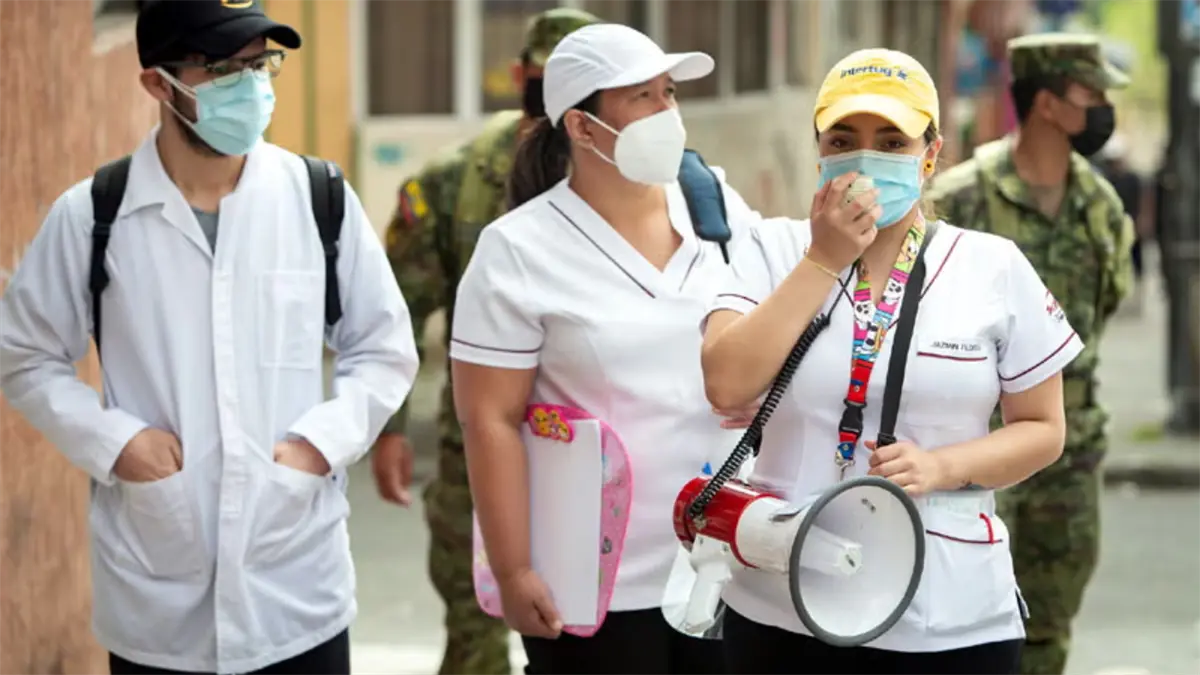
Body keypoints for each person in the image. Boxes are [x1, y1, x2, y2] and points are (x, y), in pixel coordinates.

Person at [0, 1, 419, 673]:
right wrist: (116, 443)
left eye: (261, 64)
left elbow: (383, 346)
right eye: (223, 69)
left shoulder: (318, 197)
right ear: (157, 85)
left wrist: (318, 445)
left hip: (297, 592)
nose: (252, 87)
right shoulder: (92, 216)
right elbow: (25, 355)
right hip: (157, 600)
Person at [701, 47, 1080, 675]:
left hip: (948, 613)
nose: (865, 156)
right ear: (819, 148)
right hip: (782, 603)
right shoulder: (770, 249)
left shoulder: (993, 265)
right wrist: (822, 259)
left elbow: (1044, 429)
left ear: (929, 156)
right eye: (844, 138)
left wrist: (943, 466)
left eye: (892, 140)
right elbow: (726, 382)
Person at [448, 22, 761, 675]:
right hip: (596, 585)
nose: (665, 113)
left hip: (727, 561)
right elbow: (490, 419)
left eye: (668, 92)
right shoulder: (517, 250)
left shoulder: (718, 210)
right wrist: (512, 568)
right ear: (582, 127)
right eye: (640, 97)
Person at [370, 8, 599, 675]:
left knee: (586, 630)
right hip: (475, 450)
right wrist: (389, 428)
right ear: (519, 76)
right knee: (475, 631)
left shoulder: (629, 179)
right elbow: (399, 309)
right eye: (545, 81)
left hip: (594, 454)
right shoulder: (455, 178)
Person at [930, 33, 1134, 675]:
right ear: (1048, 102)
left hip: (1072, 447)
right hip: (980, 445)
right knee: (964, 615)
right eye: (1091, 94)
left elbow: (1104, 307)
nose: (1103, 107)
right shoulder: (961, 198)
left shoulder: (1101, 206)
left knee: (1051, 622)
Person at [1095, 135, 1146, 314]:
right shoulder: (1106, 179)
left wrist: (1142, 221)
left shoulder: (1133, 179)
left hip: (1132, 225)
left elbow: (1143, 201)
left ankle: (1136, 300)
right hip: (1114, 228)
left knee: (1136, 262)